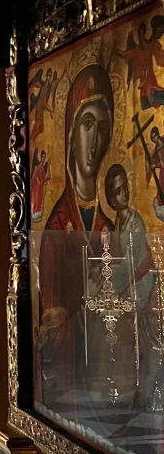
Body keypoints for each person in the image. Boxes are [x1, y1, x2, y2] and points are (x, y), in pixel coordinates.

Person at [37, 64, 115, 404]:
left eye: (102, 127)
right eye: (87, 124)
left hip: (108, 386)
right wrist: (85, 313)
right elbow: (50, 331)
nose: (94, 141)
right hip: (71, 392)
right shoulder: (57, 228)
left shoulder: (108, 227)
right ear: (70, 133)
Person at [105, 164, 160, 407]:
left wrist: (114, 281)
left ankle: (148, 392)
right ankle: (139, 390)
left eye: (125, 188)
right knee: (136, 342)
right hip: (130, 283)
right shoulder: (119, 222)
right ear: (111, 198)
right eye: (118, 191)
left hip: (142, 283)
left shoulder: (135, 223)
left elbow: (133, 264)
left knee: (147, 342)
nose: (124, 194)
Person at [31, 149, 49, 223]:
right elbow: (34, 176)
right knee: (36, 199)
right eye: (42, 157)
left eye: (44, 157)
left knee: (39, 200)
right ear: (41, 157)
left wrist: (46, 179)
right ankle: (34, 215)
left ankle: (37, 216)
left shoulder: (42, 167)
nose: (43, 158)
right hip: (36, 186)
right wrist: (38, 180)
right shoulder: (38, 166)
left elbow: (43, 178)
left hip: (40, 187)